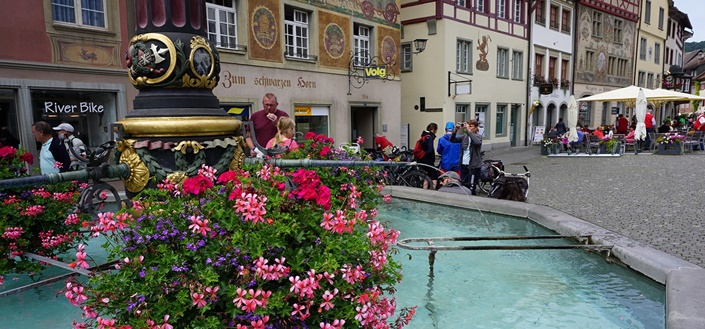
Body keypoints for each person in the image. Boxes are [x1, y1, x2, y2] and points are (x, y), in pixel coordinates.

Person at [450, 120, 482, 195]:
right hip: (464, 164)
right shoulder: (465, 136)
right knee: (464, 185)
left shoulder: (478, 136)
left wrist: (469, 131)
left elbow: (477, 142)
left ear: (476, 127)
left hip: (473, 166)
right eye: (468, 126)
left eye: (471, 126)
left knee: (471, 187)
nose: (469, 128)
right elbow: (452, 140)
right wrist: (455, 130)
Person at [414, 123, 438, 189]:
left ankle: (424, 192)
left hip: (422, 159)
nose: (436, 132)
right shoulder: (429, 137)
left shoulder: (424, 136)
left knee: (427, 176)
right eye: (436, 130)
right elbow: (430, 150)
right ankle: (432, 192)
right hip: (428, 160)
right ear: (433, 129)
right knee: (434, 177)